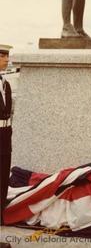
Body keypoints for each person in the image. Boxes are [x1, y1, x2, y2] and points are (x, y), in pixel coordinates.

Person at [0, 45, 13, 227]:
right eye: (3, 57)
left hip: (5, 136)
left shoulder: (6, 84)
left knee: (3, 176)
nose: (7, 60)